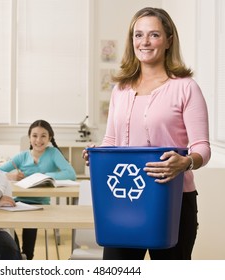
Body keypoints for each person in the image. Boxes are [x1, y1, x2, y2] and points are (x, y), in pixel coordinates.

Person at [82, 7, 211, 260]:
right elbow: (111, 140)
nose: (145, 42)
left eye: (154, 35)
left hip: (172, 201)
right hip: (124, 199)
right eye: (138, 35)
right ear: (132, 41)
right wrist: (98, 153)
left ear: (168, 40)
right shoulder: (121, 89)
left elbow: (202, 148)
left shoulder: (185, 88)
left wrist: (186, 163)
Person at [0, 119, 76, 260]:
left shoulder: (53, 153)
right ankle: (16, 255)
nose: (38, 140)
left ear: (49, 138)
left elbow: (71, 174)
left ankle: (27, 256)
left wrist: (44, 176)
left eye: (43, 136)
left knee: (30, 222)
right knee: (4, 224)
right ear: (29, 137)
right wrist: (11, 175)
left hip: (39, 204)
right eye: (34, 136)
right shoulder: (22, 156)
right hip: (17, 202)